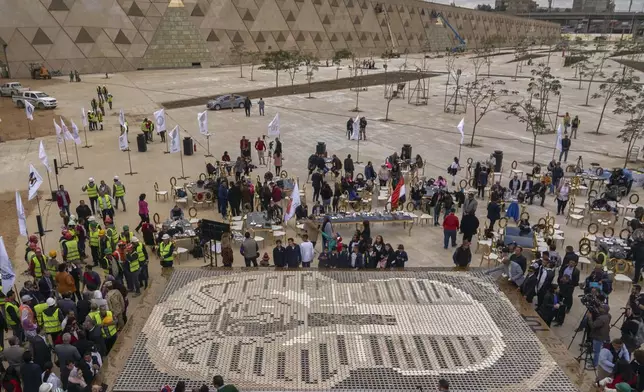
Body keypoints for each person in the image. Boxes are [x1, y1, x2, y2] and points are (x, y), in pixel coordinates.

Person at [590, 304, 613, 368]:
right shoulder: (608, 316)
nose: (599, 308)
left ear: (604, 310)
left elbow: (593, 325)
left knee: (596, 351)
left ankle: (595, 364)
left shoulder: (601, 318)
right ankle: (595, 361)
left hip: (598, 336)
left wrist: (589, 318)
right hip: (602, 336)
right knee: (597, 350)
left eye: (601, 308)